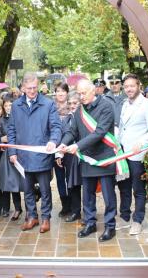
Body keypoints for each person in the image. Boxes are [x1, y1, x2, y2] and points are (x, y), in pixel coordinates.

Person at [59, 79, 117, 241]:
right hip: (87, 158)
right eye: (79, 93)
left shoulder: (106, 107)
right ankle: (90, 223)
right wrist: (63, 143)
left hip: (104, 158)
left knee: (108, 195)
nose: (81, 96)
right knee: (88, 195)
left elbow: (99, 133)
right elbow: (72, 131)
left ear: (94, 91)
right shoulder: (79, 111)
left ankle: (110, 226)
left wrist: (77, 146)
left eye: (83, 93)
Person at [8, 72, 62, 233]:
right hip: (23, 157)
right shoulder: (16, 106)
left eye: (35, 87)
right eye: (29, 88)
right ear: (23, 88)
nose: (32, 91)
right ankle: (32, 216)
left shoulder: (48, 104)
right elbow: (11, 130)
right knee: (28, 190)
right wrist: (12, 151)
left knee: (45, 191)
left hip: (42, 155)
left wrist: (53, 141)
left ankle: (45, 218)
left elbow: (56, 127)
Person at [118, 73, 148, 235]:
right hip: (123, 152)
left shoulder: (147, 105)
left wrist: (142, 142)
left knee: (138, 189)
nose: (129, 89)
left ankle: (137, 220)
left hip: (138, 154)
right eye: (126, 87)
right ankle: (124, 215)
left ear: (139, 86)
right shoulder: (125, 104)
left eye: (132, 86)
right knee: (123, 185)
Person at [56, 91, 82, 222]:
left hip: (81, 155)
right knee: (71, 184)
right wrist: (59, 153)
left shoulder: (84, 117)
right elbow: (61, 136)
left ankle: (85, 211)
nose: (72, 106)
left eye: (75, 103)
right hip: (68, 156)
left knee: (85, 185)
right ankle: (74, 210)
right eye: (70, 103)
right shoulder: (66, 118)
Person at [0, 94, 23, 221]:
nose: (8, 107)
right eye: (6, 105)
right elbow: (0, 137)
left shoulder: (20, 117)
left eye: (10, 105)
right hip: (10, 155)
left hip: (23, 153)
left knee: (28, 181)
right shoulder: (2, 120)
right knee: (14, 183)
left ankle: (34, 202)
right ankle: (18, 208)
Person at [53, 82, 71, 217]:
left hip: (70, 147)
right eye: (58, 91)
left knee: (71, 177)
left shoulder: (73, 106)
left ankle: (73, 203)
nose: (60, 94)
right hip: (55, 148)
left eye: (63, 91)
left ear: (67, 93)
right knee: (59, 178)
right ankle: (64, 204)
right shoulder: (51, 108)